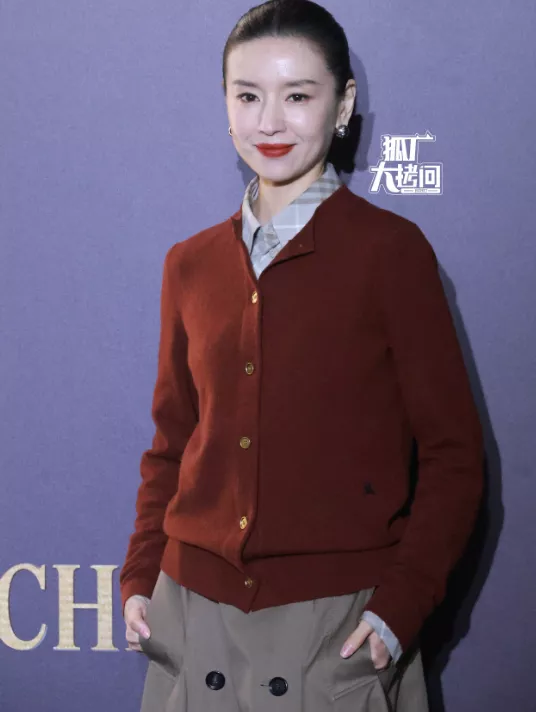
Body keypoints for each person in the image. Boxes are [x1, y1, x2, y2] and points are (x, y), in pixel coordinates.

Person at [120, 1, 484, 710]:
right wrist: (140, 575)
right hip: (193, 616)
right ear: (225, 104)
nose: (269, 122)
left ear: (342, 105)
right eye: (248, 96)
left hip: (336, 631)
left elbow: (454, 454)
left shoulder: (391, 253)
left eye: (297, 96)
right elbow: (174, 444)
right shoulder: (189, 264)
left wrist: (400, 606)